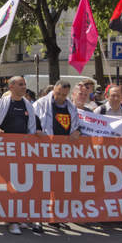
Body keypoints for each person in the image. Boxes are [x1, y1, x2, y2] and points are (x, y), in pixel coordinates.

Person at [0, 76, 37, 235]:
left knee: (20, 188)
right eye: (20, 84)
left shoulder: (28, 106)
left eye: (24, 84)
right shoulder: (2, 105)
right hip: (2, 154)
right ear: (11, 87)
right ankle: (11, 221)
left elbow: (31, 128)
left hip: (21, 154)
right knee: (5, 189)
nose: (24, 87)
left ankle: (17, 217)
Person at [32, 80, 80, 232]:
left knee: (58, 187)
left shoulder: (71, 107)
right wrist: (38, 131)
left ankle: (53, 217)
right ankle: (37, 218)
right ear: (54, 90)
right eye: (58, 93)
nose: (60, 97)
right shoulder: (41, 104)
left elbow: (76, 126)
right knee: (41, 186)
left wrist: (77, 132)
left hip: (63, 152)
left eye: (64, 95)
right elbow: (33, 122)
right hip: (44, 151)